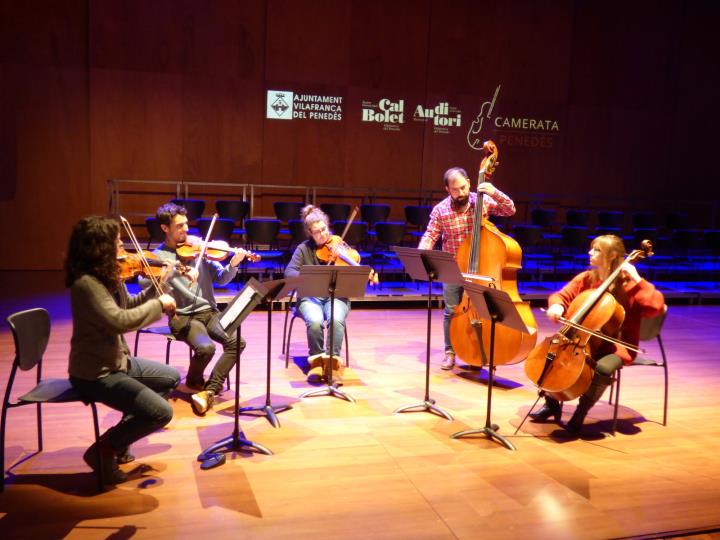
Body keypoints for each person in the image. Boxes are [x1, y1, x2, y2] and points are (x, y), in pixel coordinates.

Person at [66, 216, 180, 484]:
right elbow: (120, 321)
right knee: (162, 412)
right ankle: (103, 450)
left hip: (118, 360)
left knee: (170, 377)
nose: (124, 250)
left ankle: (119, 440)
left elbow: (128, 306)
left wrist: (159, 284)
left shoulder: (109, 276)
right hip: (96, 372)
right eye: (117, 244)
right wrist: (159, 306)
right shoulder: (86, 285)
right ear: (99, 248)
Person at [528, 234, 665, 433]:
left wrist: (637, 278)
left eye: (597, 250)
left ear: (613, 256)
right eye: (592, 248)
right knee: (553, 354)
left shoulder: (630, 285)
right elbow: (561, 296)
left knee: (602, 369)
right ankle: (551, 405)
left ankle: (580, 413)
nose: (590, 252)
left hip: (617, 345)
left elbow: (655, 307)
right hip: (582, 339)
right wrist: (557, 306)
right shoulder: (586, 278)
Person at [152, 202, 246, 416]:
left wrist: (234, 262)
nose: (186, 230)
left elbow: (222, 278)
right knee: (206, 349)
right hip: (183, 317)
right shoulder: (158, 257)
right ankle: (194, 381)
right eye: (179, 226)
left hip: (209, 312)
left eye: (186, 225)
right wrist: (172, 271)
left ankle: (209, 390)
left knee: (236, 342)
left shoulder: (198, 250)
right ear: (165, 228)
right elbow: (145, 285)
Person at [418, 166, 516, 370]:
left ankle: (479, 351)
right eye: (455, 189)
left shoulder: (482, 200)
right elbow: (430, 235)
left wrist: (494, 191)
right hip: (453, 268)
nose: (461, 193)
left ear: (470, 183)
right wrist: (423, 250)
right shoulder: (440, 210)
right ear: (447, 189)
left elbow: (510, 209)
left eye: (463, 187)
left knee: (483, 310)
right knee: (452, 311)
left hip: (480, 267)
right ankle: (450, 352)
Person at [284, 205, 350, 380]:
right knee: (314, 320)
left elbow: (353, 264)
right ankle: (316, 361)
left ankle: (332, 363)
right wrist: (309, 278)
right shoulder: (303, 249)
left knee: (336, 318)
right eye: (317, 232)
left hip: (335, 296)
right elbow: (289, 272)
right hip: (310, 297)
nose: (323, 234)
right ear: (310, 234)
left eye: (324, 229)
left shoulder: (339, 245)